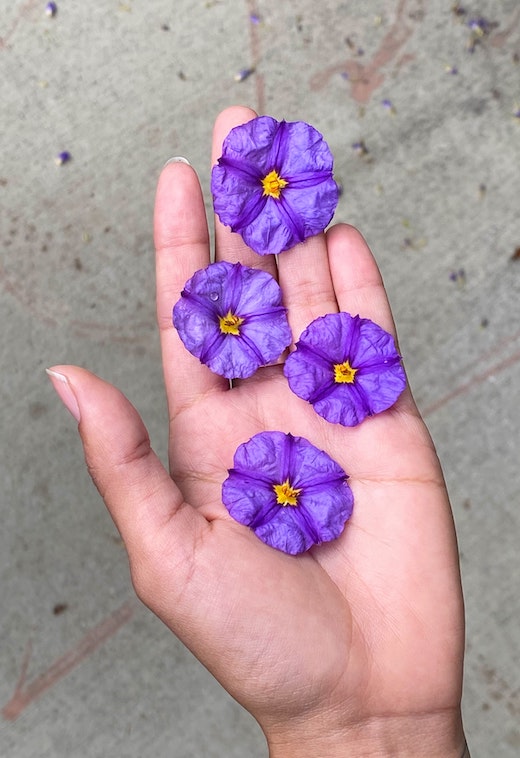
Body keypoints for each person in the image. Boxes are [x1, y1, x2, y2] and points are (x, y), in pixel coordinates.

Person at [47, 106, 469, 757]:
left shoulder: (286, 421)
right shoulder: (255, 335)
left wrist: (357, 727)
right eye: (269, 184)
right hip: (264, 390)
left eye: (276, 185)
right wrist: (363, 725)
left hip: (273, 408)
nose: (272, 187)